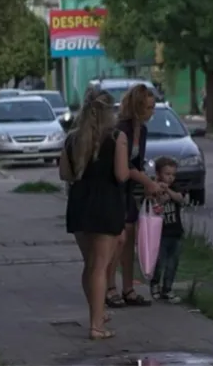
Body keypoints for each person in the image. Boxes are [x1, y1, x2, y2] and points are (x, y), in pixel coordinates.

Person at [60, 89, 131, 340]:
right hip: (106, 204)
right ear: (110, 111)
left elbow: (65, 174)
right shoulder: (117, 137)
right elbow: (121, 175)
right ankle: (96, 326)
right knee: (100, 267)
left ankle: (97, 313)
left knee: (90, 265)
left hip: (79, 204)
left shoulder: (72, 139)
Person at [106, 84, 162, 308]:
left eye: (153, 107)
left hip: (128, 190)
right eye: (148, 107)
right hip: (113, 188)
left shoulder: (143, 131)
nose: (152, 112)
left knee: (129, 237)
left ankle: (128, 288)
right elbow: (123, 165)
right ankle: (109, 287)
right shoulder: (121, 130)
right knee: (116, 240)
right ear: (137, 107)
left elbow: (137, 164)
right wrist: (146, 181)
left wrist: (148, 184)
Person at [150, 156, 187, 303]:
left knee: (172, 263)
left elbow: (180, 198)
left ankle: (167, 288)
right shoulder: (153, 187)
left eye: (173, 174)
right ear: (158, 174)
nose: (171, 177)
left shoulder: (176, 187)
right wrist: (158, 193)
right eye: (167, 174)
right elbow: (153, 202)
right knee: (159, 262)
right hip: (160, 233)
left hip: (175, 231)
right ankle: (155, 285)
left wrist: (168, 191)